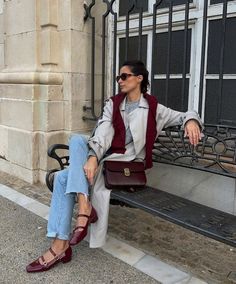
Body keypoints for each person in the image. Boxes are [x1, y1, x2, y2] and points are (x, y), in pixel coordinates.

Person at [26, 60, 202, 272]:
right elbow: (103, 130)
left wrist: (191, 121)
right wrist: (92, 156)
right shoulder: (114, 103)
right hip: (103, 157)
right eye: (118, 77)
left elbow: (184, 114)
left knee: (63, 178)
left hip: (125, 165)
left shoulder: (154, 108)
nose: (120, 80)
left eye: (124, 76)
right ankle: (83, 209)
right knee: (76, 140)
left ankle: (60, 244)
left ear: (139, 79)